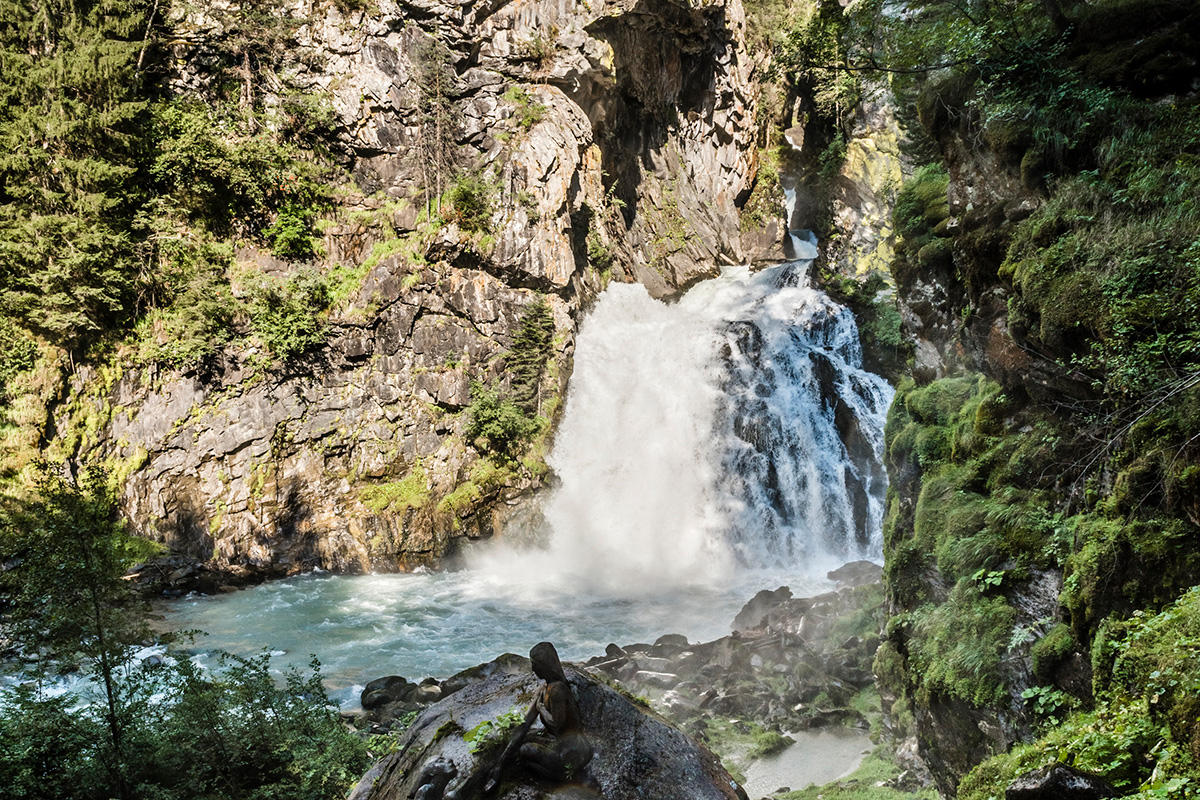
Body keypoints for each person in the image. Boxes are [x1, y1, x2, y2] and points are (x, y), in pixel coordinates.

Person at [482, 641, 595, 793]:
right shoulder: (544, 690)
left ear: (546, 665)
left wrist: (541, 708)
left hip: (574, 753)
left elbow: (557, 725)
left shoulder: (557, 690)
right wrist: (500, 762)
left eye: (536, 664)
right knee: (518, 741)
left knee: (525, 750)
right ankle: (496, 772)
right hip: (563, 745)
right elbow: (525, 724)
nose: (533, 668)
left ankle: (565, 775)